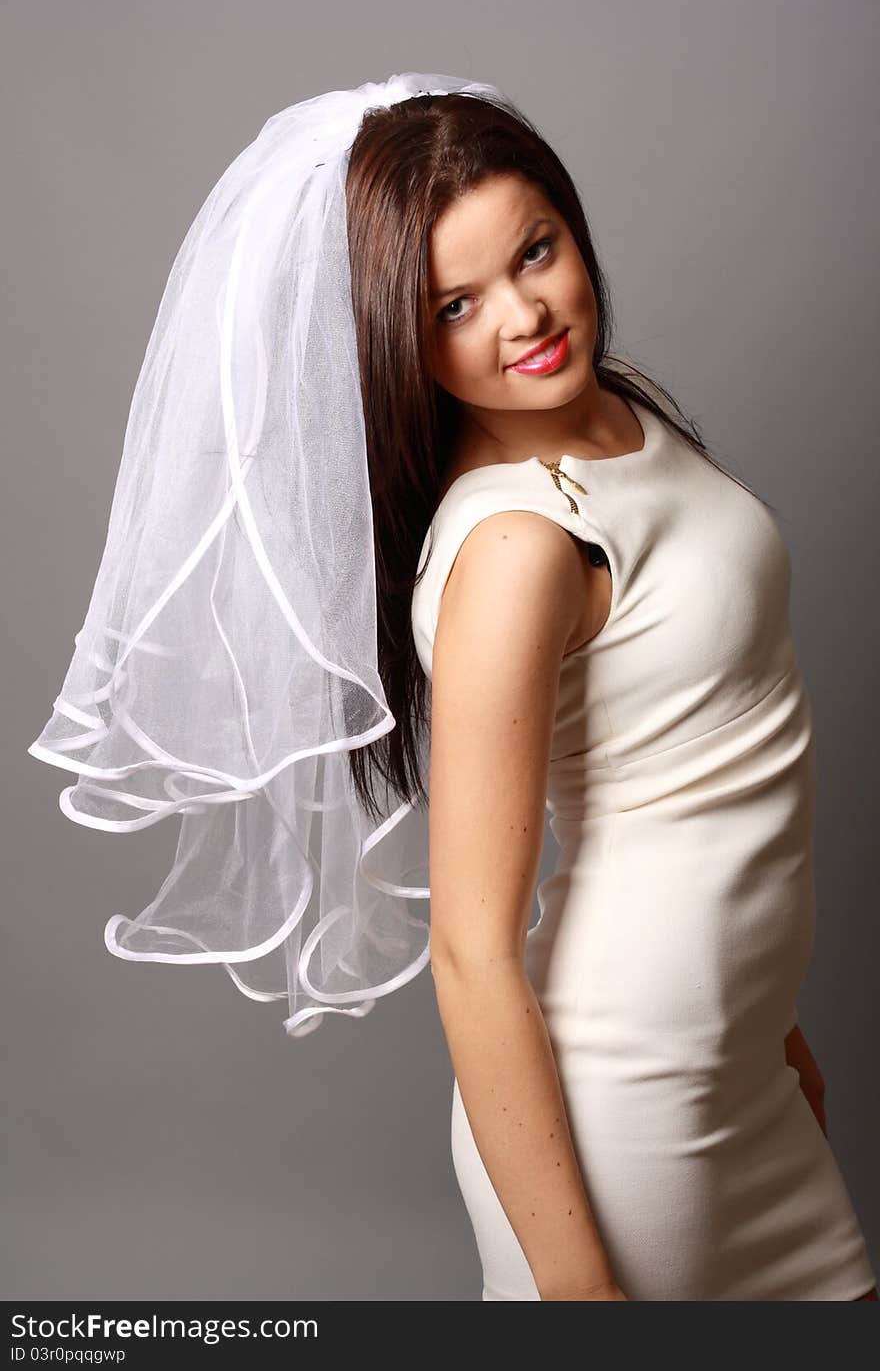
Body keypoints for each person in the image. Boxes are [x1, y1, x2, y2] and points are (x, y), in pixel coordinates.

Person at [27, 74, 876, 1301]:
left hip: (739, 1070)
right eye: (454, 305)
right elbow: (472, 953)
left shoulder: (609, 415)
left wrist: (774, 1028)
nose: (523, 315)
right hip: (629, 1115)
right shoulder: (516, 551)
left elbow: (695, 766)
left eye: (536, 250)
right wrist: (574, 1284)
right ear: (397, 340)